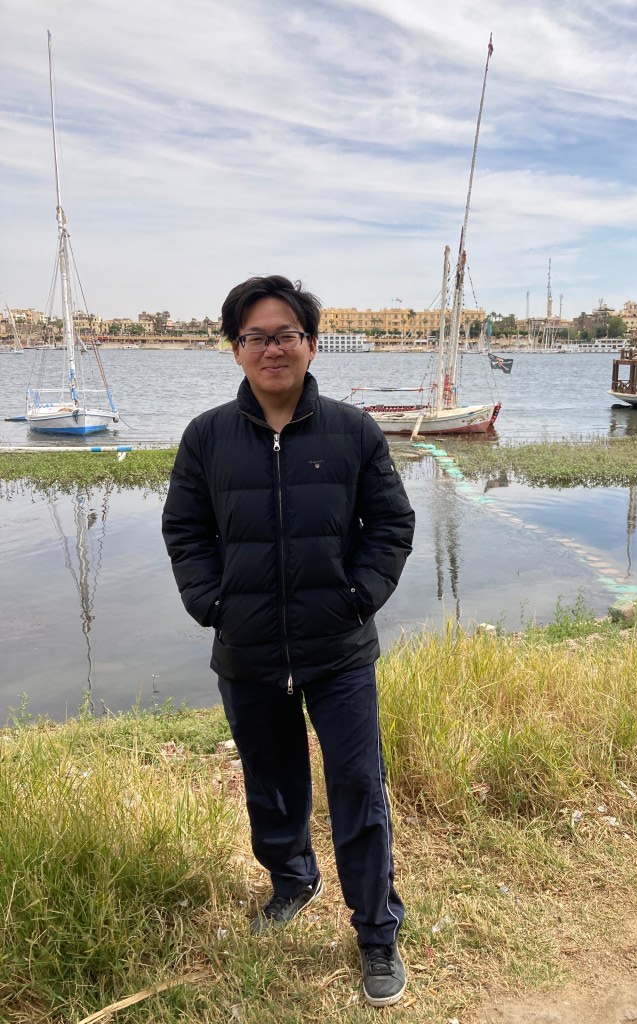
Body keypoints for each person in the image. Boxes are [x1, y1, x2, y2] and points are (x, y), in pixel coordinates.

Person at [161, 275, 415, 1007]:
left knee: (358, 788)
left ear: (310, 344)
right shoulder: (207, 437)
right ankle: (293, 880)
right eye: (256, 337)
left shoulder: (353, 431)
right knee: (271, 783)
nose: (272, 349)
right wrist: (213, 604)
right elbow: (185, 531)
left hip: (339, 653)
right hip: (247, 651)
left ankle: (376, 931)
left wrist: (357, 597)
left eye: (286, 335)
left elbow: (391, 525)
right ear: (236, 349)